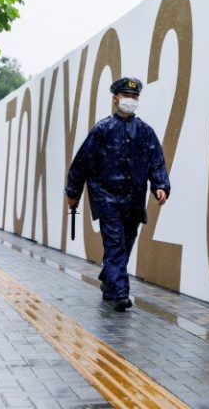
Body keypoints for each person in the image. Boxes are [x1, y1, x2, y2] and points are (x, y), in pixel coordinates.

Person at [65, 77, 170, 311]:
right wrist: (73, 192)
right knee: (115, 244)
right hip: (107, 198)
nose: (130, 100)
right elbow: (82, 163)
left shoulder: (145, 131)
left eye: (134, 96)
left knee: (126, 243)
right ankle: (119, 293)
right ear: (115, 99)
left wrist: (161, 186)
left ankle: (109, 279)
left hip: (134, 200)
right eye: (126, 96)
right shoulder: (102, 129)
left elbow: (156, 161)